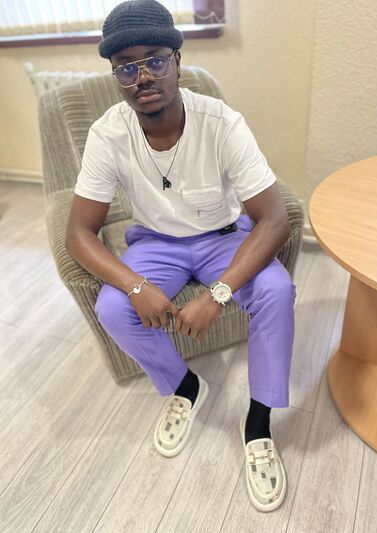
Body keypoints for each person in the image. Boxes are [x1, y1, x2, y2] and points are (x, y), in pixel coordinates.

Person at [66, 0, 296, 513]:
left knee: (277, 290)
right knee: (112, 308)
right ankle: (186, 386)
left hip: (223, 237)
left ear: (176, 58)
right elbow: (79, 233)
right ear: (115, 75)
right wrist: (135, 286)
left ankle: (258, 424)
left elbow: (274, 219)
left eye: (154, 60)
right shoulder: (108, 133)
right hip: (156, 244)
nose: (142, 76)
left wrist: (219, 294)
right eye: (126, 67)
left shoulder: (221, 122)